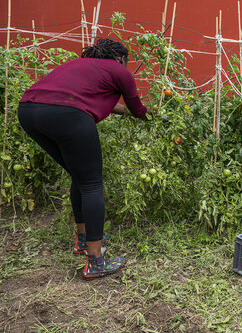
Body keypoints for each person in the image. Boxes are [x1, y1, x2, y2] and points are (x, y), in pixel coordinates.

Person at [18, 38, 148, 279]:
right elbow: (138, 109)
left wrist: (123, 111)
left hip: (28, 111)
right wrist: (149, 115)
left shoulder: (79, 65)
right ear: (120, 59)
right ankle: (96, 261)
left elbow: (81, 98)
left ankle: (82, 240)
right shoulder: (119, 70)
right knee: (91, 185)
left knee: (80, 177)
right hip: (68, 115)